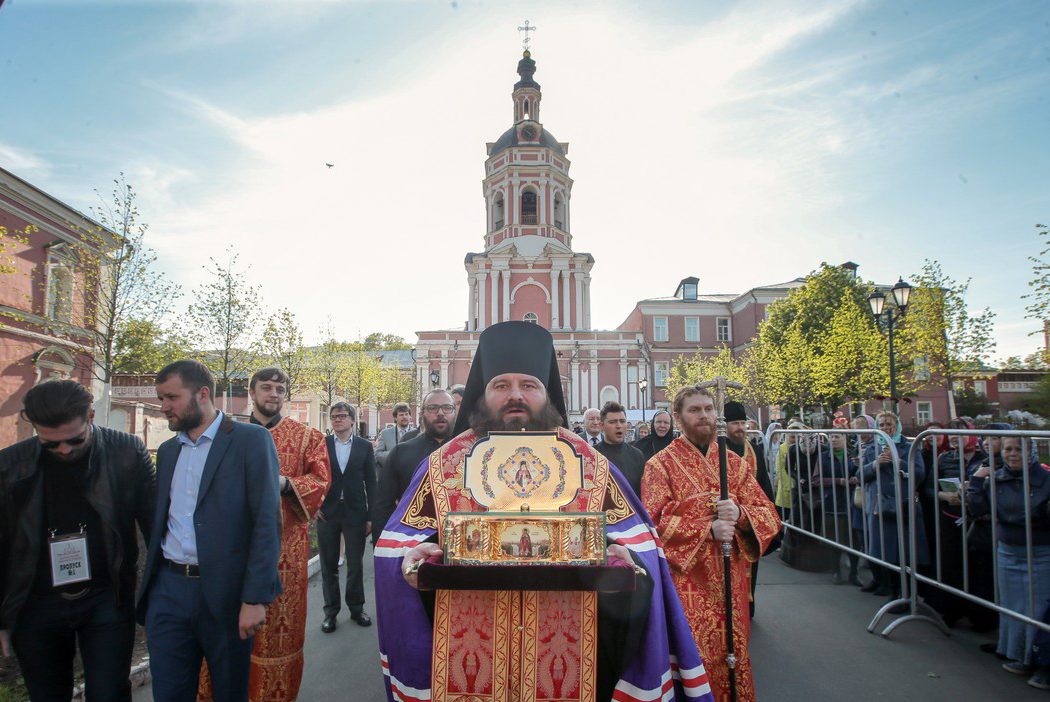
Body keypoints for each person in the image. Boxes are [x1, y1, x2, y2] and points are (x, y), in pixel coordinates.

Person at [376, 322, 711, 702]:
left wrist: (625, 556)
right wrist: (412, 557)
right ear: (483, 393)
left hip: (573, 645)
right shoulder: (445, 463)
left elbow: (641, 544)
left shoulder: (588, 461)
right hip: (465, 646)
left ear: (546, 392)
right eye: (501, 385)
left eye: (529, 385)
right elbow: (393, 546)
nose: (515, 395)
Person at [0, 380, 154, 702]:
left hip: (107, 597)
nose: (64, 450)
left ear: (91, 416)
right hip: (36, 604)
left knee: (109, 694)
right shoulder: (10, 465)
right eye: (50, 444)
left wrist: (161, 597)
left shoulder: (126, 452)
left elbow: (155, 527)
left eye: (75, 440)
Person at [137, 360, 282, 702]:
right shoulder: (169, 451)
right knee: (169, 694)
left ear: (203, 394)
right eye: (161, 398)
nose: (164, 406)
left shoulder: (250, 440)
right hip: (168, 591)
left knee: (229, 692)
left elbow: (266, 522)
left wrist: (254, 598)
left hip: (225, 594)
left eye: (171, 397)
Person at [198, 367, 331, 701]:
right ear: (252, 391)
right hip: (231, 551)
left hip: (285, 553)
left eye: (280, 389)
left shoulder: (307, 437)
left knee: (279, 635)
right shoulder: (226, 433)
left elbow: (320, 482)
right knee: (226, 630)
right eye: (266, 387)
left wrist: (285, 484)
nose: (273, 394)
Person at [643, 386, 781, 701]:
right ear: (678, 417)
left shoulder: (735, 464)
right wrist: (707, 528)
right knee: (693, 659)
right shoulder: (659, 465)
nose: (703, 416)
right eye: (694, 410)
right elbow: (654, 524)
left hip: (731, 581)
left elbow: (770, 516)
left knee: (734, 655)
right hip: (687, 583)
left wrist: (741, 514)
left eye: (708, 408)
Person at [968, 436, 1050, 683]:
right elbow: (978, 510)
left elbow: (1037, 514)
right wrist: (976, 482)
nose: (1012, 453)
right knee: (1011, 604)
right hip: (1007, 550)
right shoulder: (997, 478)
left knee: (1035, 608)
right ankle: (1014, 651)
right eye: (1008, 449)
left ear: (1031, 452)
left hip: (1038, 553)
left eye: (1019, 449)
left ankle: (1035, 658)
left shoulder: (1045, 480)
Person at [857, 410, 928, 605]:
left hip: (903, 506)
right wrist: (875, 464)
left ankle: (907, 594)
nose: (885, 428)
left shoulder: (910, 446)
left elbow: (920, 474)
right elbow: (860, 475)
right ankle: (891, 588)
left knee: (905, 552)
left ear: (897, 426)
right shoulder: (873, 448)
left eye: (889, 424)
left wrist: (898, 461)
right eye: (881, 425)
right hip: (880, 507)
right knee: (883, 551)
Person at [319, 402, 377, 632]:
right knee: (328, 565)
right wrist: (314, 505)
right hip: (327, 513)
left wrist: (371, 516)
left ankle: (356, 608)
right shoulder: (322, 445)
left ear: (353, 420)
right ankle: (330, 613)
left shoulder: (364, 446)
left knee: (355, 565)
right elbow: (313, 476)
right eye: (334, 416)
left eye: (343, 416)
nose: (338, 419)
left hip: (355, 512)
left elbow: (371, 482)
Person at [372, 390, 456, 543]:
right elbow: (383, 505)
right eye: (433, 408)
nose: (440, 413)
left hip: (460, 542)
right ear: (422, 413)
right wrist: (383, 547)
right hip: (412, 544)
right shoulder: (401, 452)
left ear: (455, 412)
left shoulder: (470, 451)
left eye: (447, 407)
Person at [724, 401, 778, 618]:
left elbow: (764, 486)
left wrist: (770, 516)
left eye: (742, 423)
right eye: (735, 423)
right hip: (725, 520)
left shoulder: (754, 450)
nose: (740, 427)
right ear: (725, 425)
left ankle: (747, 609)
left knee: (750, 564)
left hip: (749, 520)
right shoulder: (717, 450)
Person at [594, 400, 647, 497]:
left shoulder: (637, 455)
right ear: (602, 426)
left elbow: (643, 492)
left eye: (622, 421)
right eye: (612, 422)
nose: (619, 426)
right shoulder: (593, 456)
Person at [375, 403, 414, 468]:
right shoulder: (385, 433)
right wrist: (394, 454)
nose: (404, 417)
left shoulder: (418, 434)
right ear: (395, 418)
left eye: (406, 414)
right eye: (401, 415)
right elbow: (377, 454)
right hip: (392, 471)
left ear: (410, 416)